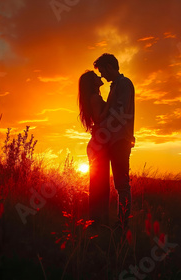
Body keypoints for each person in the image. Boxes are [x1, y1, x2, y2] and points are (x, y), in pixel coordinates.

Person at [94, 53, 135, 229]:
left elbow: (119, 112)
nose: (102, 76)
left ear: (110, 67)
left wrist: (101, 125)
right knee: (119, 184)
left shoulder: (124, 84)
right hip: (113, 141)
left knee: (122, 185)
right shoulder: (115, 86)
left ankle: (123, 225)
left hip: (120, 141)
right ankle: (120, 223)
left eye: (103, 71)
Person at [78, 70, 111, 227]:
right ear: (92, 83)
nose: (100, 77)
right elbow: (99, 118)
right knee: (101, 185)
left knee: (98, 184)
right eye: (96, 77)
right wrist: (110, 102)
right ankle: (98, 221)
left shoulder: (91, 98)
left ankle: (97, 220)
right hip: (98, 145)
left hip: (95, 144)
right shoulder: (95, 98)